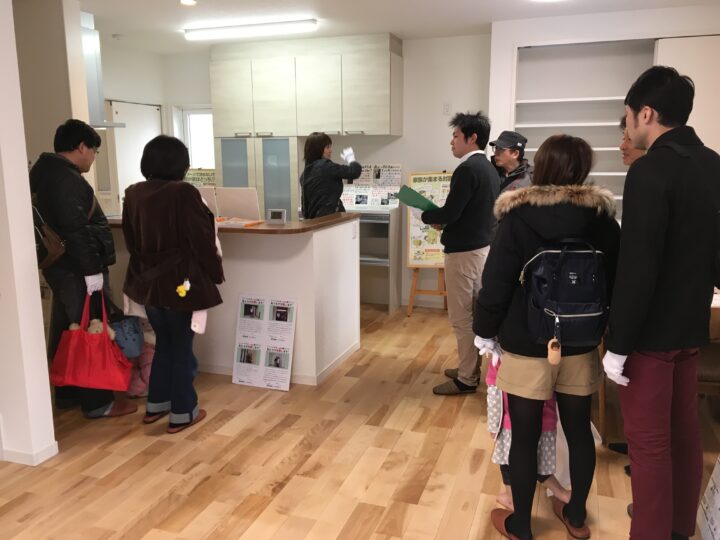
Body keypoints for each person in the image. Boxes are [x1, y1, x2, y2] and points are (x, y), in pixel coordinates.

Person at [474, 134, 620, 540]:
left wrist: (484, 331)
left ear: (542, 168)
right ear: (584, 170)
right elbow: (616, 282)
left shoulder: (518, 217)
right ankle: (576, 515)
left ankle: (521, 524)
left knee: (524, 436)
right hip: (581, 341)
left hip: (526, 342)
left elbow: (496, 282)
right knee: (579, 430)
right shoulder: (603, 220)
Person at [602, 66, 720, 540]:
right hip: (692, 326)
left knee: (649, 445)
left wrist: (617, 344)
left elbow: (639, 267)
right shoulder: (713, 163)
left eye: (629, 117)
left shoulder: (650, 170)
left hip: (649, 336)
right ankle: (678, 529)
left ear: (646, 113)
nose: (628, 128)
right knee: (685, 434)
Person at [30, 119, 137, 418]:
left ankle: (67, 392)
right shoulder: (66, 179)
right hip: (76, 267)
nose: (93, 157)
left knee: (68, 327)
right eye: (94, 151)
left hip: (59, 265)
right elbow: (76, 229)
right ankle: (98, 402)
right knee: (92, 329)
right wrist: (92, 271)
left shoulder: (42, 171)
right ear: (81, 147)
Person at [122, 135, 224, 434]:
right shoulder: (183, 193)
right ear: (180, 164)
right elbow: (202, 241)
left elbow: (130, 241)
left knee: (164, 342)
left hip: (147, 284)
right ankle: (182, 412)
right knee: (181, 345)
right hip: (182, 284)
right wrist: (215, 273)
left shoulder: (133, 193)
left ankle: (157, 404)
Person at [413, 112, 500, 395]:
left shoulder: (467, 170)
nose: (451, 141)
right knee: (473, 313)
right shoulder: (489, 168)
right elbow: (469, 212)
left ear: (472, 138)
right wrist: (445, 219)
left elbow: (451, 212)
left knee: (462, 318)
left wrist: (425, 215)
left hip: (463, 254)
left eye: (455, 136)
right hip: (480, 250)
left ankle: (466, 379)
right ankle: (469, 368)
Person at [485, 351, 571, 511]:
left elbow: (494, 395)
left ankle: (512, 498)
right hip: (546, 422)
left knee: (509, 464)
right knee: (540, 464)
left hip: (511, 427)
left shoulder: (500, 360)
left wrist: (493, 425)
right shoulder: (549, 356)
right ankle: (561, 492)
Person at [299, 132, 362, 219]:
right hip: (330, 219)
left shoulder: (304, 174)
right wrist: (351, 159)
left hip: (314, 221)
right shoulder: (326, 166)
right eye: (327, 147)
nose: (330, 150)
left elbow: (305, 204)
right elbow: (354, 172)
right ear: (318, 149)